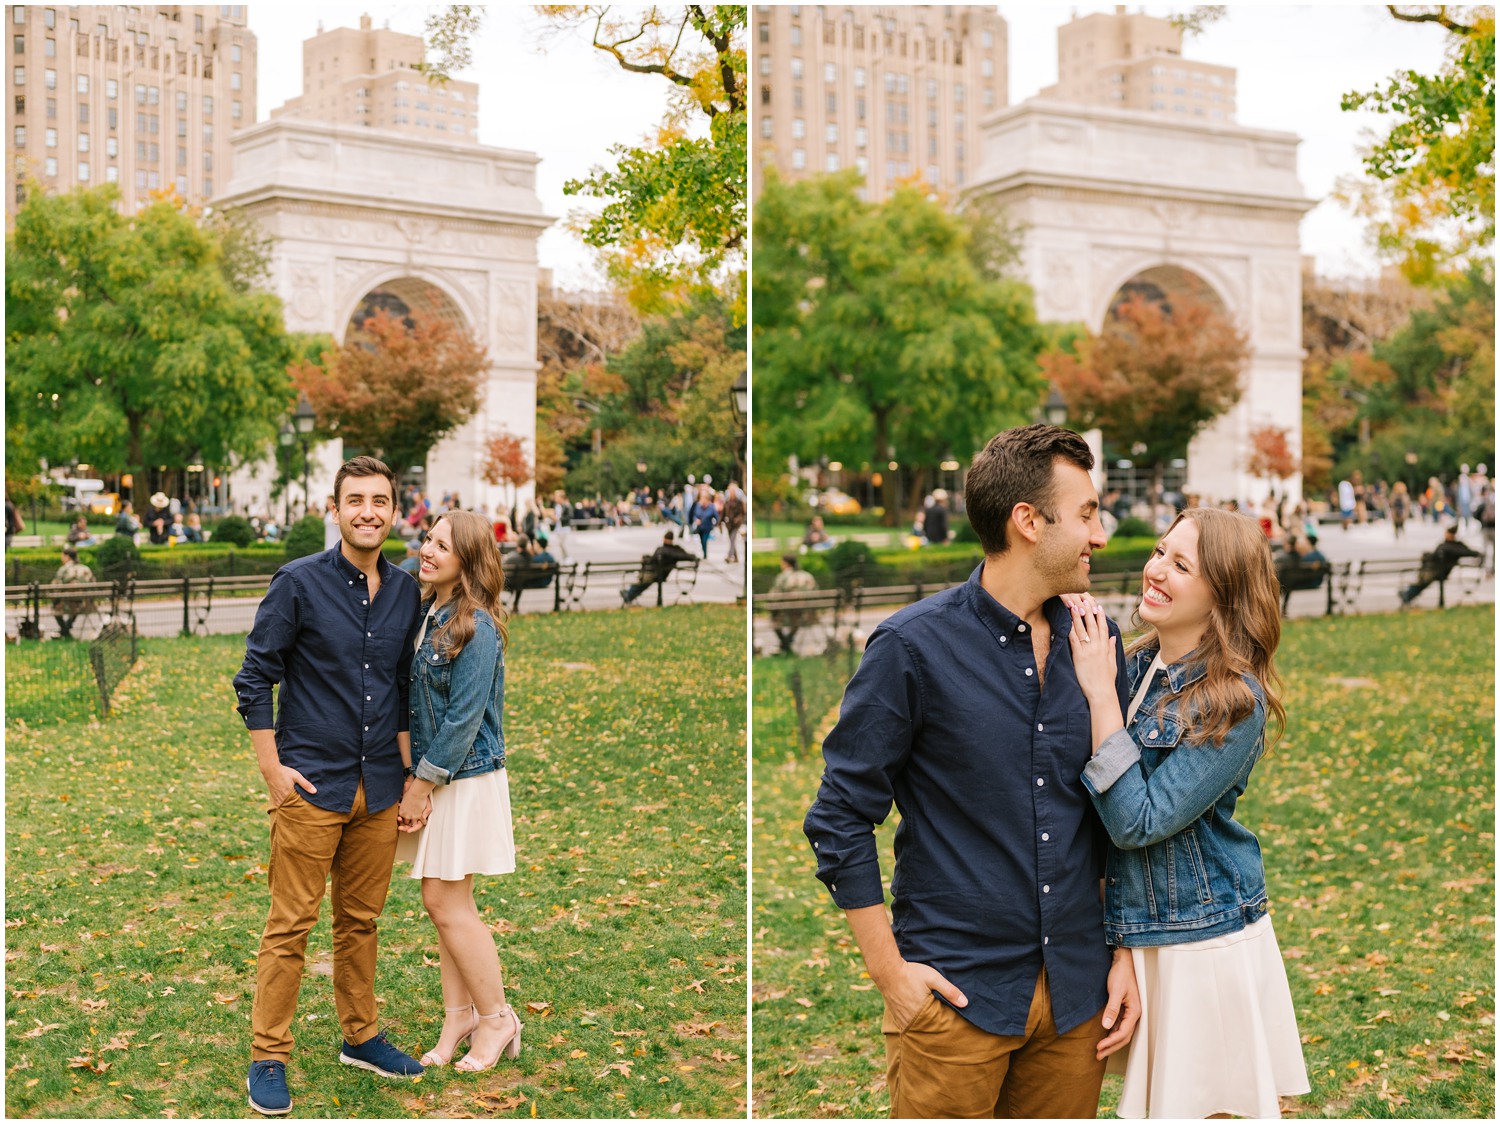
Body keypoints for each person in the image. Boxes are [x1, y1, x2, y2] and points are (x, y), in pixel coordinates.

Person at [804, 424, 1140, 1119]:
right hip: (955, 1000)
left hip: (1078, 1001)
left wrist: (1124, 955)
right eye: (1086, 513)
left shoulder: (1098, 642)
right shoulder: (912, 648)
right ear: (1027, 521)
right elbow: (839, 816)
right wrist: (891, 977)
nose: (1100, 534)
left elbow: (1122, 816)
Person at [1066, 508, 1309, 1118]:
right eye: (1158, 552)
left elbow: (1136, 822)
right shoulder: (1136, 664)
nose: (1156, 570)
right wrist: (1120, 946)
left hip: (1202, 941)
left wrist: (1099, 693)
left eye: (1181, 564)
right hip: (1142, 932)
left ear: (1221, 594)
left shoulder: (1235, 701)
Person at [233, 456, 426, 1116]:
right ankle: (268, 1054)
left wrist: (409, 778)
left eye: (380, 499)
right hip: (311, 785)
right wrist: (273, 770)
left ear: (395, 508)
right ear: (334, 508)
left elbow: (401, 691)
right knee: (290, 926)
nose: (368, 510)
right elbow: (254, 679)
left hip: (379, 787)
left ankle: (361, 1036)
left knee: (362, 921)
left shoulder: (405, 592)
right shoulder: (298, 583)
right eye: (355, 500)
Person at [394, 510, 522, 1073]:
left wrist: (419, 788)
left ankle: (496, 1018)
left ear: (467, 561)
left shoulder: (478, 628)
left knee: (446, 902)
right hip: (435, 776)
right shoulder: (429, 613)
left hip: (463, 778)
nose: (427, 550)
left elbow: (463, 721)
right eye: (427, 538)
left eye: (442, 545)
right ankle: (458, 1016)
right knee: (446, 904)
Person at [1398, 525, 1481, 608]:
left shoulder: (1450, 546)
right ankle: (1408, 594)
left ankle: (1408, 594)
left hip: (1439, 571)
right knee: (1423, 580)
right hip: (1436, 570)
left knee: (1424, 579)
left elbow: (1471, 553)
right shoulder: (1452, 545)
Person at [622, 530, 696, 606]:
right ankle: (629, 594)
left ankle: (629, 594)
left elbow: (652, 560)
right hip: (661, 573)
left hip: (656, 574)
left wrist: (646, 558)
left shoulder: (661, 550)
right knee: (644, 580)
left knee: (644, 580)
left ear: (664, 539)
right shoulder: (676, 550)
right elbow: (687, 556)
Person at [769, 553, 818, 654]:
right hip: (806, 612)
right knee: (795, 620)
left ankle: (785, 645)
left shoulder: (783, 576)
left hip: (786, 612)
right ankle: (786, 645)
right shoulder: (806, 575)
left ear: (785, 564)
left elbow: (774, 595)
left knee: (775, 622)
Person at [52, 545, 96, 639]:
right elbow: (93, 585)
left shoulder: (64, 569)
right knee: (76, 604)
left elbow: (56, 588)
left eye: (62, 556)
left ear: (67, 557)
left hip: (66, 605)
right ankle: (67, 628)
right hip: (85, 605)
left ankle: (65, 631)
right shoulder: (85, 569)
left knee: (55, 608)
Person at [688, 484, 718, 559]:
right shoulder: (698, 506)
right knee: (702, 541)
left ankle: (705, 554)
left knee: (704, 540)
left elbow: (716, 517)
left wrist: (715, 524)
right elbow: (694, 515)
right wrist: (696, 520)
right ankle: (704, 552)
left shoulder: (711, 507)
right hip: (700, 527)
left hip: (707, 526)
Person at [722, 481, 746, 564]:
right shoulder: (727, 500)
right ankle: (736, 557)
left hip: (736, 524)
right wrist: (720, 523)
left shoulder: (739, 501)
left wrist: (738, 519)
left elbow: (743, 512)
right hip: (729, 524)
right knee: (732, 540)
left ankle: (729, 556)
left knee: (732, 538)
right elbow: (723, 512)